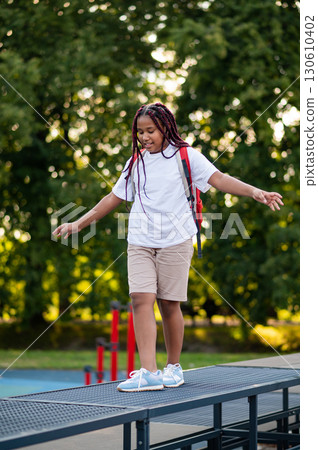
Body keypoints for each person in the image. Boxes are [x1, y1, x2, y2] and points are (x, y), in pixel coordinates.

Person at [52, 102, 283, 392]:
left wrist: (255, 192)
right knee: (140, 299)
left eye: (151, 131)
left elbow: (219, 179)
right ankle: (148, 371)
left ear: (166, 128)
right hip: (139, 240)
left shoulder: (185, 156)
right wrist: (79, 224)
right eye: (140, 132)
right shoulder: (136, 162)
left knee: (169, 304)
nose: (145, 137)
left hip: (176, 239)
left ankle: (173, 366)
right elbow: (113, 198)